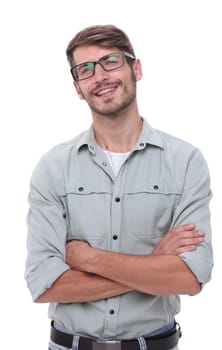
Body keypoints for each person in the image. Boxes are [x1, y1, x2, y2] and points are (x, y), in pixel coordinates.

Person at [25, 24, 213, 350]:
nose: (99, 76)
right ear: (78, 88)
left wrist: (86, 257)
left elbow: (189, 278)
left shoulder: (185, 162)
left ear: (135, 68)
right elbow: (44, 285)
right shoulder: (53, 169)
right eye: (85, 70)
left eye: (110, 61)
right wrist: (153, 264)